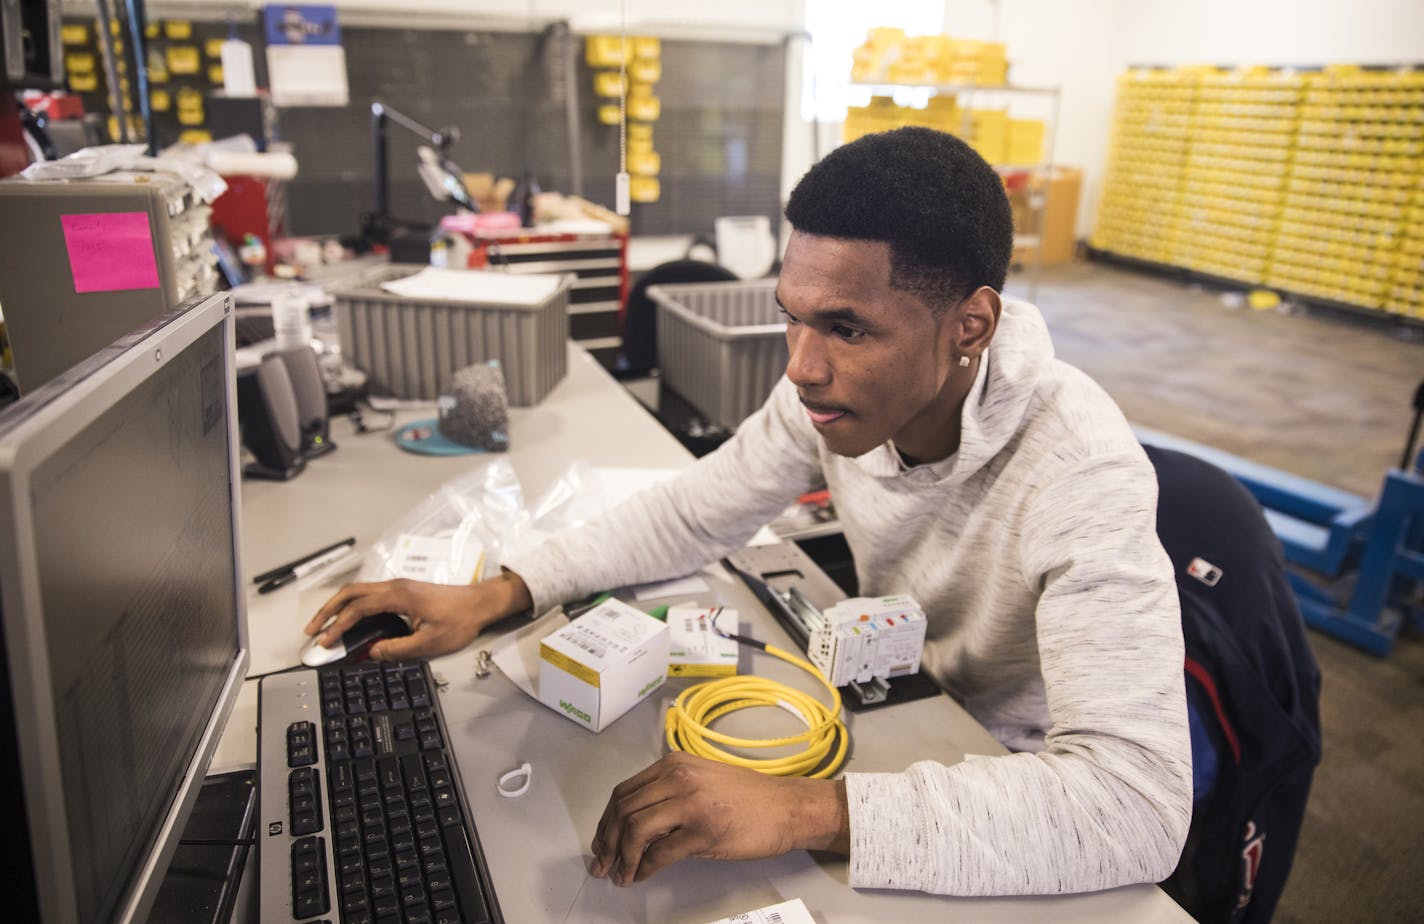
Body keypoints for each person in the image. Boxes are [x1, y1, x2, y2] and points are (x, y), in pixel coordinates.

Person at [309, 126, 1193, 896]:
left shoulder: (1081, 473)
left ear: (971, 326)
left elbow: (1136, 802)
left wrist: (806, 808)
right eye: (791, 318)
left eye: (846, 328)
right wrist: (502, 590)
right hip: (897, 706)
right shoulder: (829, 394)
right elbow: (694, 513)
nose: (802, 365)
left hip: (1015, 782)